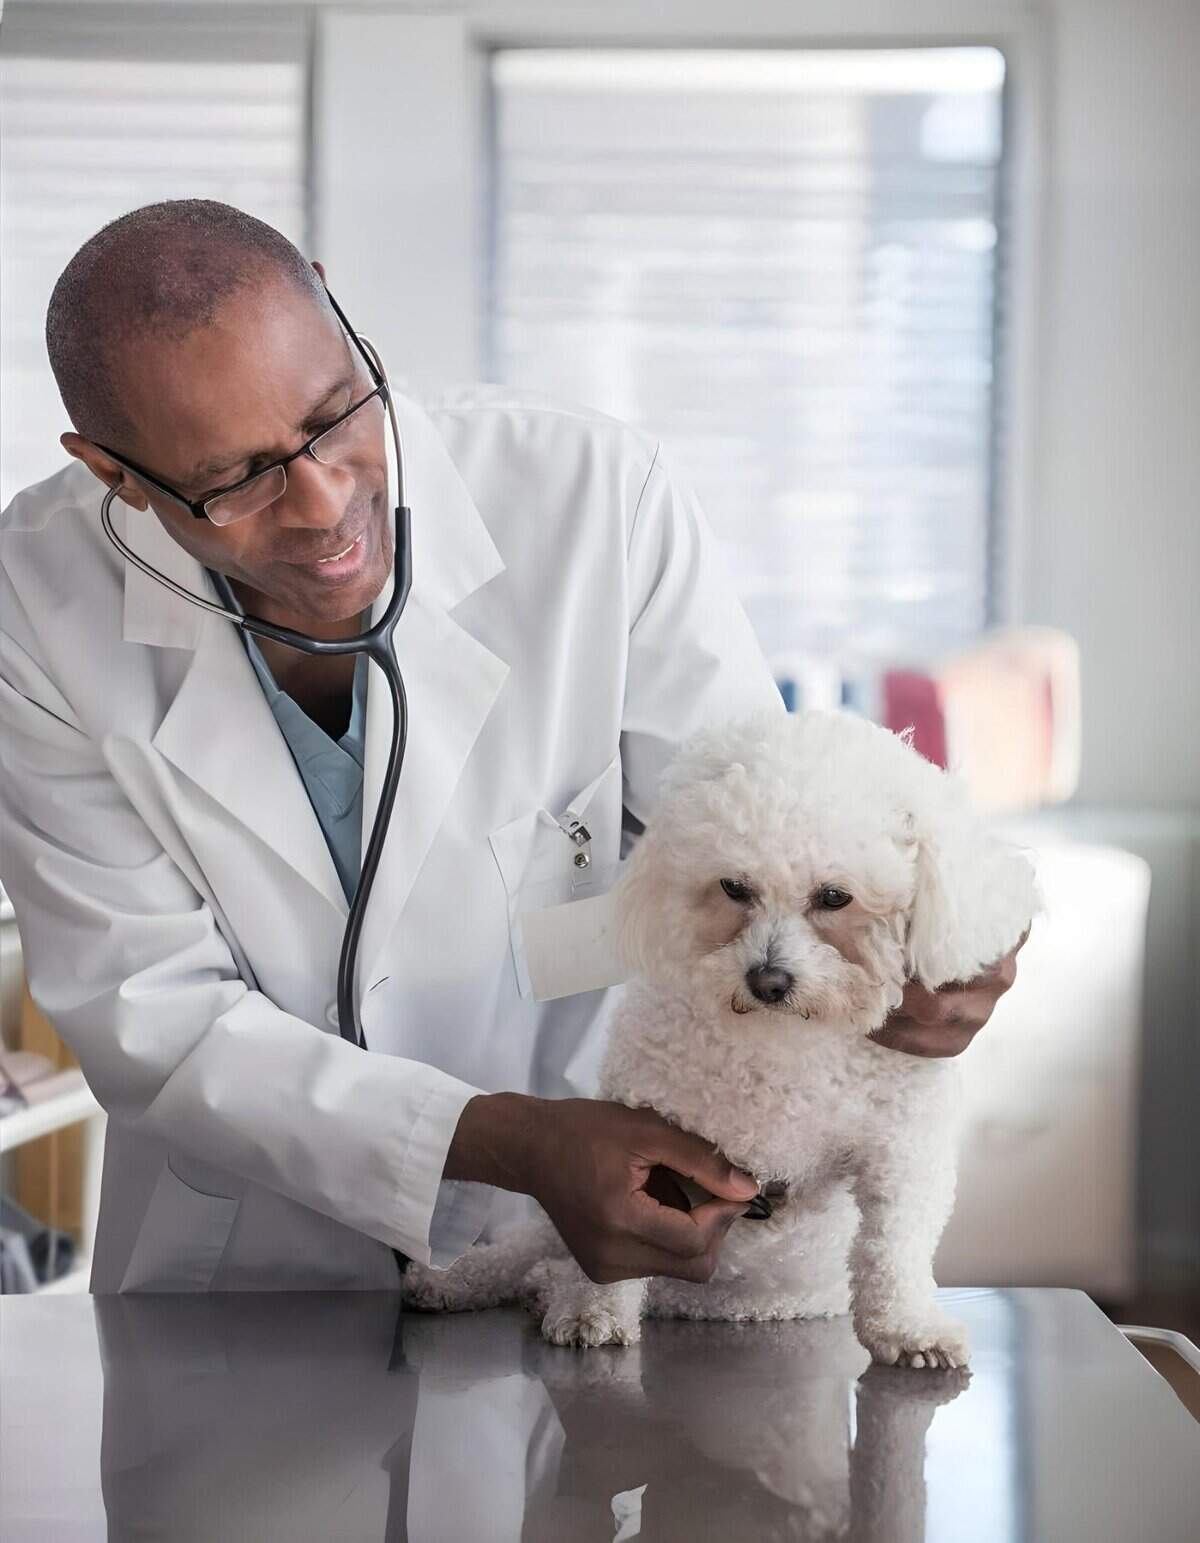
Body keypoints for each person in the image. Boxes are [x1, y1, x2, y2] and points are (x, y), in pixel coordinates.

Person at [0, 201, 1023, 1293]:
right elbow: (150, 1011)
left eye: (338, 411)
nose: (326, 502)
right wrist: (505, 1137)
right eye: (237, 479)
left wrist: (950, 951)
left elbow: (765, 825)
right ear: (116, 476)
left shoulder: (596, 500)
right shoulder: (35, 605)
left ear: (339, 311)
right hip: (244, 1267)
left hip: (606, 1246)